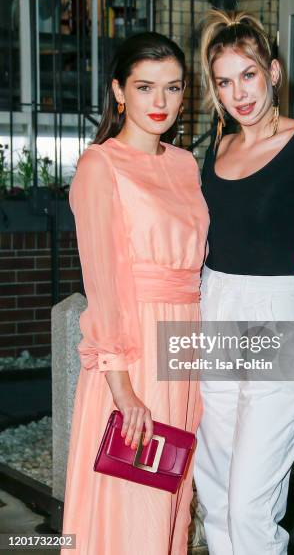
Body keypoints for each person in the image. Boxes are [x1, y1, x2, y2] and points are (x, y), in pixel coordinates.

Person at [194, 9, 294, 555]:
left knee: (250, 501)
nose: (239, 93)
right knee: (215, 488)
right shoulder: (216, 150)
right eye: (225, 81)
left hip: (278, 314)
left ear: (274, 72)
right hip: (216, 311)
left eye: (249, 74)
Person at [61, 32, 210, 555]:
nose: (161, 103)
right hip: (135, 350)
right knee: (133, 497)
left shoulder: (186, 164)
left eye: (173, 88)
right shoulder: (101, 165)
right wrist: (122, 390)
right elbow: (103, 284)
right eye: (146, 87)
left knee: (171, 494)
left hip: (185, 344)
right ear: (119, 91)